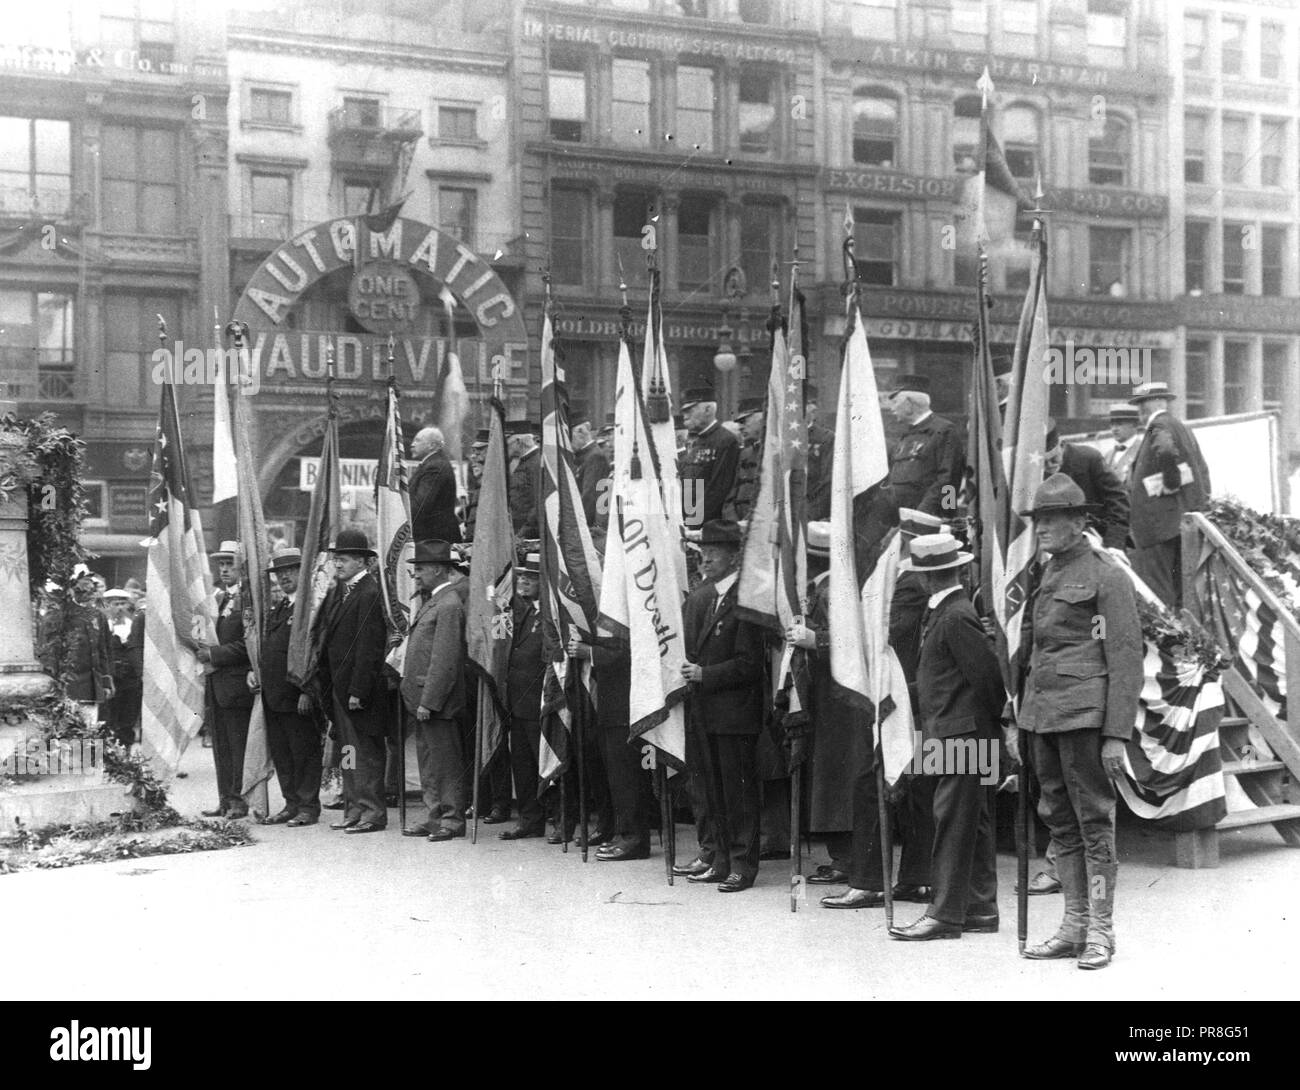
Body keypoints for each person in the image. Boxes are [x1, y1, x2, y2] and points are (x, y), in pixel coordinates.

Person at [1016, 473, 1142, 970]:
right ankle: (1072, 926)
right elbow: (1032, 652)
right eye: (1038, 520)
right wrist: (1016, 716)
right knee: (1058, 822)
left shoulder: (1107, 575)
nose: (1042, 528)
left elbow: (1125, 657)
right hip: (1043, 716)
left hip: (1086, 718)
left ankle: (1100, 931)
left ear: (1078, 522)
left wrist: (1116, 734)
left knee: (1094, 823)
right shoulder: (1046, 574)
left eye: (1051, 520)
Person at [821, 508, 942, 909]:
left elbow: (887, 634)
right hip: (902, 694)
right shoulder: (901, 581)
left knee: (875, 783)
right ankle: (916, 877)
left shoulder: (907, 585)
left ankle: (872, 880)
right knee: (909, 785)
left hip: (899, 695)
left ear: (905, 540)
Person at [888, 532, 1006, 941]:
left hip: (959, 734)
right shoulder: (950, 611)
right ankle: (979, 908)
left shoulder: (954, 615)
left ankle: (944, 914)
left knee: (952, 824)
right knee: (972, 824)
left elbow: (988, 680)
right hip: (955, 731)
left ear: (925, 578)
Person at [679, 519, 764, 893]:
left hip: (735, 714)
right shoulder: (706, 596)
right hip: (708, 713)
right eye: (703, 551)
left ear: (733, 556)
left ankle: (744, 866)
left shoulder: (745, 602)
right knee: (714, 791)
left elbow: (749, 664)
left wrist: (704, 674)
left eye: (714, 552)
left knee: (738, 794)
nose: (706, 558)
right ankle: (723, 860)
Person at [315, 529, 390, 834]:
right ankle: (354, 807)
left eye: (343, 559)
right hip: (339, 689)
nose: (337, 565)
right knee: (348, 751)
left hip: (358, 692)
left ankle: (372, 811)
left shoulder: (369, 593)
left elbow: (369, 648)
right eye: (336, 560)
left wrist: (359, 690)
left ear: (361, 561)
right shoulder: (341, 593)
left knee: (366, 751)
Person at [400, 540, 468, 842]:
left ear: (439, 569)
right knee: (429, 762)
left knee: (445, 762)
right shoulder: (435, 602)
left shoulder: (449, 604)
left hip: (436, 701)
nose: (416, 574)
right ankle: (435, 815)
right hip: (421, 699)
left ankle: (452, 820)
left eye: (421, 569)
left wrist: (430, 701)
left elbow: (445, 660)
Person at [1126, 381, 1211, 608]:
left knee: (1159, 587)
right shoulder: (1179, 426)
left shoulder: (1159, 426)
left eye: (1143, 403)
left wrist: (1171, 482)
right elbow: (1200, 469)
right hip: (1174, 522)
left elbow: (1164, 449)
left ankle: (1169, 636)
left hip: (1159, 525)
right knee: (1178, 585)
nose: (1140, 410)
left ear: (1159, 402)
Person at [258, 550, 324, 827]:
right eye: (279, 573)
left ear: (304, 571)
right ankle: (291, 802)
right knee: (283, 753)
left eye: (291, 571)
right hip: (274, 695)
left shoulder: (310, 609)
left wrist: (308, 691)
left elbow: (316, 652)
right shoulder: (281, 608)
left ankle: (308, 805)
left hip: (297, 695)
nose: (284, 577)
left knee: (304, 753)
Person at [196, 543, 252, 819]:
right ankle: (225, 799)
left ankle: (239, 800)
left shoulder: (248, 600)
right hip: (216, 685)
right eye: (221, 564)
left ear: (242, 565)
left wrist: (213, 654)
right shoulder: (219, 599)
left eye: (230, 563)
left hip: (236, 684)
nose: (225, 569)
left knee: (237, 745)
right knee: (221, 746)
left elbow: (248, 645)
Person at [499, 554, 547, 841]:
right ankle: (530, 819)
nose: (523, 580)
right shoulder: (519, 611)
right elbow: (502, 642)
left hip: (540, 700)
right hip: (517, 701)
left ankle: (560, 818)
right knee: (524, 765)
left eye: (531, 576)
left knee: (547, 762)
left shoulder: (552, 614)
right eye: (521, 576)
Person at [886, 374, 965, 518]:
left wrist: (944, 515)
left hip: (928, 520)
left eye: (895, 402)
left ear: (909, 404)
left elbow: (949, 480)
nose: (892, 409)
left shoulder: (944, 430)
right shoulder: (906, 436)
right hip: (902, 518)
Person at [1042, 421, 1130, 550]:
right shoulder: (1031, 473)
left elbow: (1119, 499)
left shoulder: (1088, 458)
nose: (1050, 466)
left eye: (1054, 459)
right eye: (1044, 463)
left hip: (1098, 538)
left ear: (1062, 445)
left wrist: (1114, 543)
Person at [679, 386, 740, 528]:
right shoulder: (697, 443)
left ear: (708, 410)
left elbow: (718, 489)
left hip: (711, 528)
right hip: (692, 525)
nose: (685, 415)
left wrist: (693, 522)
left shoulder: (725, 441)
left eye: (690, 410)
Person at [102, 589, 143, 749]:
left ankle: (125, 755)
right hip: (111, 678)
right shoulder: (103, 624)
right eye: (115, 604)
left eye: (122, 603)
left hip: (130, 679)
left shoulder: (132, 624)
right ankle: (111, 756)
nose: (120, 608)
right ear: (107, 605)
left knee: (128, 719)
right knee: (110, 719)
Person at [408, 426, 462, 544]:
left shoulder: (434, 466)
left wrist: (399, 518)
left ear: (432, 446)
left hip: (434, 541)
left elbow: (420, 505)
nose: (412, 444)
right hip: (433, 538)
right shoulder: (433, 463)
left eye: (417, 440)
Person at [724, 397, 764, 522]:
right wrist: (733, 521)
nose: (740, 427)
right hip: (737, 528)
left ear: (762, 418)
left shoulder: (777, 453)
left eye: (744, 421)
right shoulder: (745, 454)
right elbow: (731, 495)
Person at [571, 410, 611, 529]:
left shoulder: (595, 457)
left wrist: (578, 527)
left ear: (580, 432)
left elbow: (589, 497)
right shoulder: (585, 456)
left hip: (589, 526)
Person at [804, 383, 835, 520]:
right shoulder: (782, 438)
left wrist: (811, 514)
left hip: (811, 512)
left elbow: (827, 480)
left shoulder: (826, 438)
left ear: (812, 410)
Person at [507, 421, 541, 539]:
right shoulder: (526, 462)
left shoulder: (536, 463)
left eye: (508, 444)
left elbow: (538, 504)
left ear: (518, 442)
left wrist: (522, 534)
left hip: (528, 535)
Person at [1104, 404, 1141, 485]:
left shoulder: (1143, 450)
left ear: (1134, 425)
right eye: (1112, 424)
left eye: (1119, 424)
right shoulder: (1108, 455)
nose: (1114, 429)